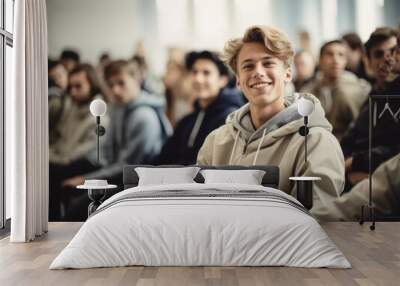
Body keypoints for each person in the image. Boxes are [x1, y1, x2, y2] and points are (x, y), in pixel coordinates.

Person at [196, 25, 345, 220]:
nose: (258, 72)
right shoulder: (215, 142)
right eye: (248, 66)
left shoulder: (317, 143)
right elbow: (200, 210)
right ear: (239, 81)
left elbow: (316, 220)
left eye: (268, 63)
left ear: (288, 74)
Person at [155, 51, 244, 165]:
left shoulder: (230, 119)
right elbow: (163, 158)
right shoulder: (187, 120)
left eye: (206, 73)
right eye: (194, 72)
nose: (198, 78)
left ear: (223, 80)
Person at [341, 27, 400, 190]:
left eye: (393, 51)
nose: (388, 59)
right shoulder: (374, 94)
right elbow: (351, 138)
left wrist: (355, 162)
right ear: (368, 62)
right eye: (379, 54)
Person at [301, 40, 370, 140]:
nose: (335, 59)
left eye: (341, 55)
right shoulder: (307, 91)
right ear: (320, 60)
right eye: (329, 54)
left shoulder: (360, 87)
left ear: (346, 61)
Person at [49, 64, 105, 165]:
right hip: (56, 160)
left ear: (92, 85)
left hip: (76, 168)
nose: (73, 92)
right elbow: (57, 138)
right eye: (70, 87)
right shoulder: (71, 106)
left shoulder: (100, 117)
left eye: (78, 86)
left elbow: (73, 157)